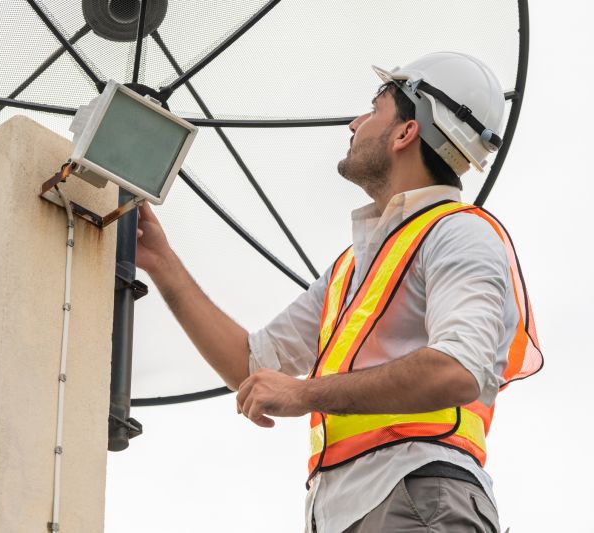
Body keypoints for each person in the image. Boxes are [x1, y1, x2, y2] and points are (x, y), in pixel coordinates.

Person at [134, 52, 541, 533]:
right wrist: (161, 262)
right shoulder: (352, 267)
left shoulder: (460, 234)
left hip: (416, 492)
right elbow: (251, 366)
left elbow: (458, 368)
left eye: (373, 109)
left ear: (406, 133)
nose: (355, 123)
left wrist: (304, 393)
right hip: (349, 511)